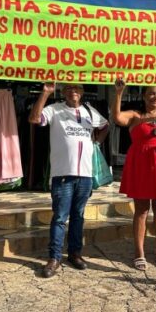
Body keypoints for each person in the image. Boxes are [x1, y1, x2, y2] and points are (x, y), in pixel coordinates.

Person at [29, 83, 108, 278]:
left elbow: (105, 125)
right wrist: (45, 93)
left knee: (78, 216)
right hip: (63, 174)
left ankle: (75, 253)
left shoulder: (89, 110)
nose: (74, 91)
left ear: (82, 92)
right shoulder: (54, 109)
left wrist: (97, 141)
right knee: (59, 217)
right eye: (69, 88)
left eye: (77, 88)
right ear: (63, 92)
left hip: (86, 175)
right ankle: (54, 257)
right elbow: (34, 119)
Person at [112, 79, 156, 271]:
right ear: (144, 96)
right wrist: (119, 93)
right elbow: (117, 117)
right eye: (151, 93)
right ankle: (139, 253)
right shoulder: (136, 115)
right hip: (141, 168)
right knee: (142, 210)